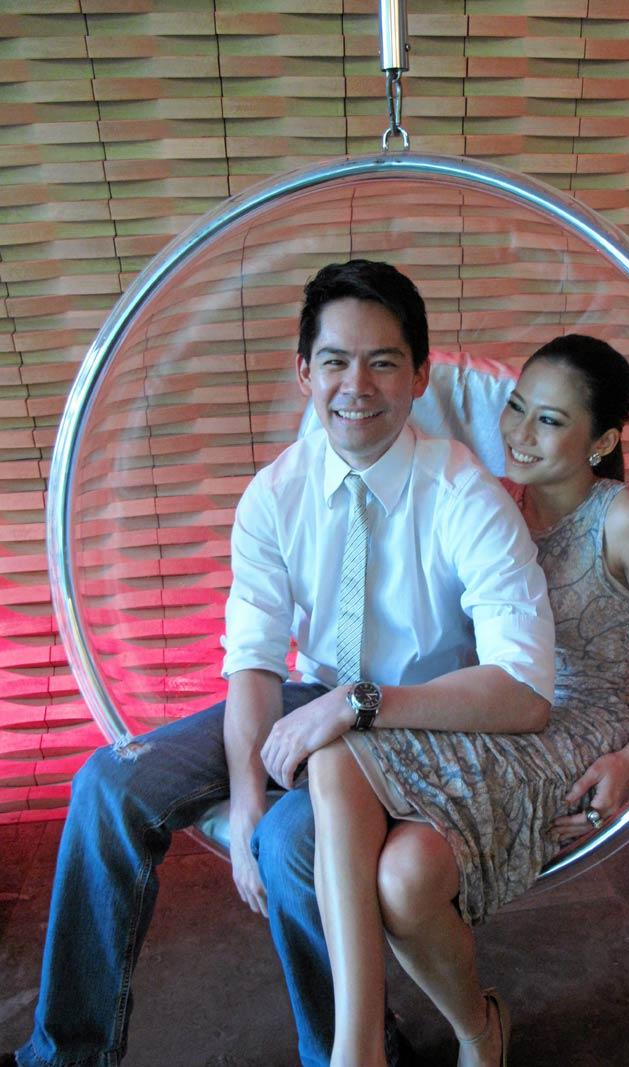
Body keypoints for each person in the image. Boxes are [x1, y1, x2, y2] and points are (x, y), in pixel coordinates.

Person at [14, 259, 556, 1067]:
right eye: (335, 361)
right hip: (312, 697)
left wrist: (359, 706)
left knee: (293, 841)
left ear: (419, 376)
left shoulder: (464, 493)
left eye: (383, 362)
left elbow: (522, 689)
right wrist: (243, 798)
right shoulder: (275, 494)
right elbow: (256, 661)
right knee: (107, 783)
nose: (356, 386)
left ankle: (349, 1048)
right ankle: (64, 1055)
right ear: (305, 373)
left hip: (426, 718)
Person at [301, 334, 629, 1066]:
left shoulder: (627, 521)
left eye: (549, 420)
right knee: (397, 867)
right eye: (516, 407)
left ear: (603, 440)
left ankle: (425, 1042)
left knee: (385, 836)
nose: (519, 432)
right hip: (490, 704)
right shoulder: (487, 497)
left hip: (577, 725)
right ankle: (455, 1030)